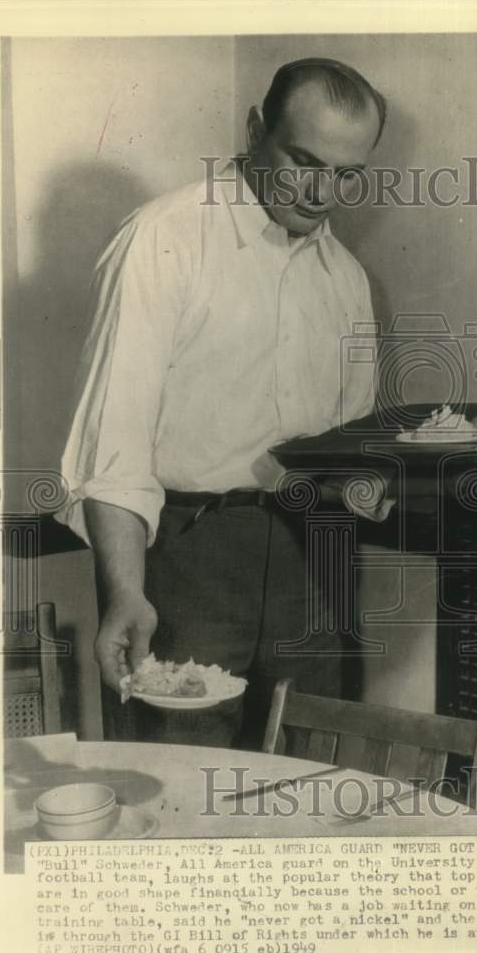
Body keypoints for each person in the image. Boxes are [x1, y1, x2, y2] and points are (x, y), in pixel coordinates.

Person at [57, 58, 389, 748]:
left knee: (314, 778)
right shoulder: (163, 238)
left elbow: (351, 447)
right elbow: (113, 439)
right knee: (179, 783)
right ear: (254, 129)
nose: (324, 191)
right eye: (304, 160)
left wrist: (379, 487)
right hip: (188, 556)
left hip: (313, 561)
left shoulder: (349, 281)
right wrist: (124, 592)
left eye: (347, 174)